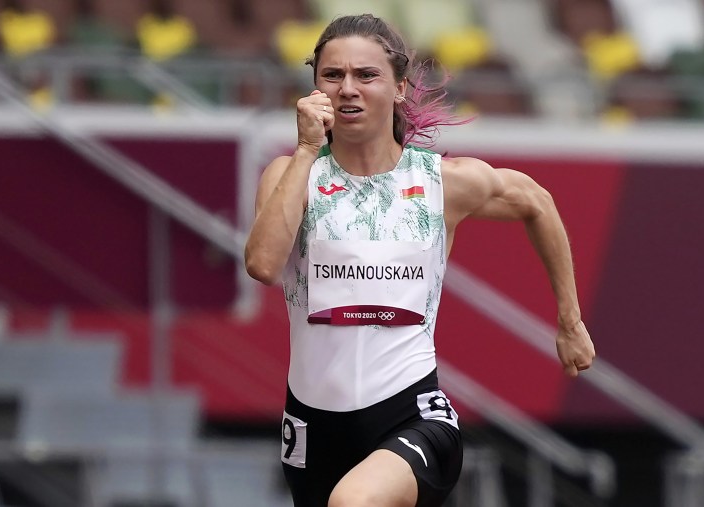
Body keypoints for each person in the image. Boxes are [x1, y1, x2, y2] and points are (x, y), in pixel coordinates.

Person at [244, 13, 596, 507]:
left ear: (400, 88)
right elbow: (262, 264)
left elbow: (536, 202)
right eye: (332, 75)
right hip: (312, 423)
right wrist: (306, 149)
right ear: (314, 89)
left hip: (412, 414)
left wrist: (569, 319)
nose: (348, 88)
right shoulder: (290, 174)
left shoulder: (441, 182)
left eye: (366, 75)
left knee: (353, 503)